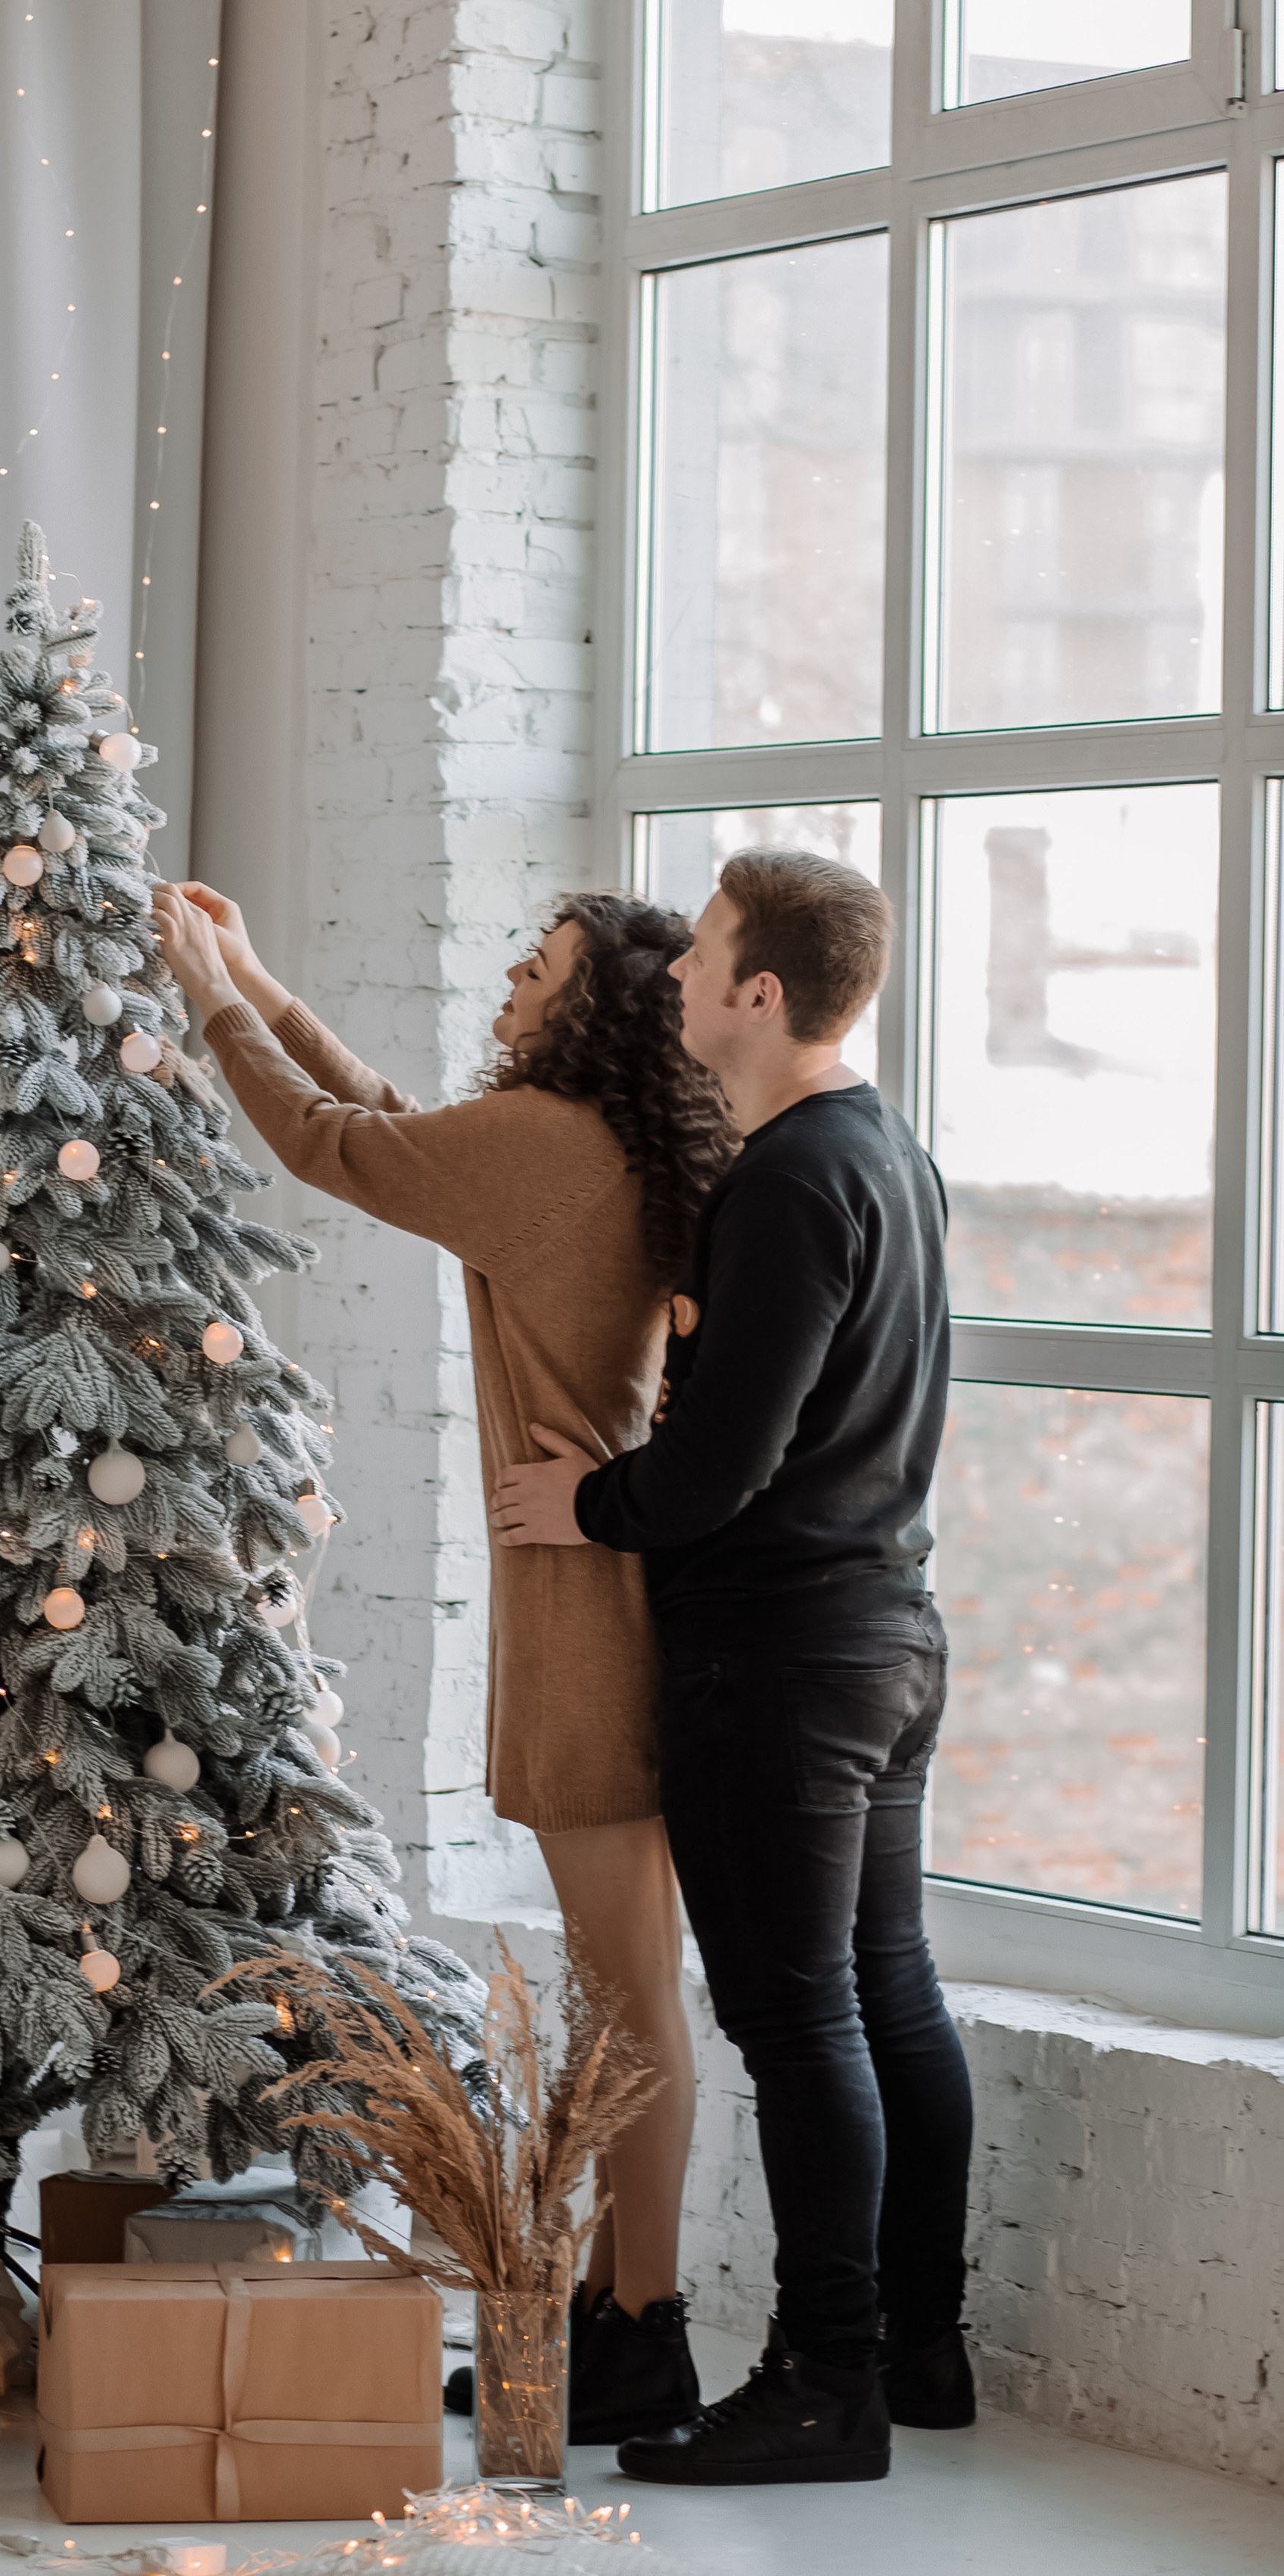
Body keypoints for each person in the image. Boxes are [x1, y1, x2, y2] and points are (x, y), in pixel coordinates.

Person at [153, 876, 736, 2444]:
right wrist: (262, 983)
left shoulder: (547, 1148)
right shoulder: (585, 1145)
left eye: (535, 973)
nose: (509, 986)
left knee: (625, 1997)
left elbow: (332, 1147)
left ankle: (644, 2325)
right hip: (611, 1587)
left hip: (584, 1607)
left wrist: (209, 994)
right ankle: (620, 2314)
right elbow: (391, 1124)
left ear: (590, 1013)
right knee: (629, 1988)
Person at [493, 848, 974, 2491]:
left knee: (795, 2020)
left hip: (778, 1658)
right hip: (890, 1636)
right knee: (887, 1993)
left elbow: (713, 1472)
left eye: (697, 954)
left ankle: (820, 2383)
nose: (676, 978)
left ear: (758, 992)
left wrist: (583, 1501)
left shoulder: (780, 1182)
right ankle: (920, 2350)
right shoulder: (884, 1152)